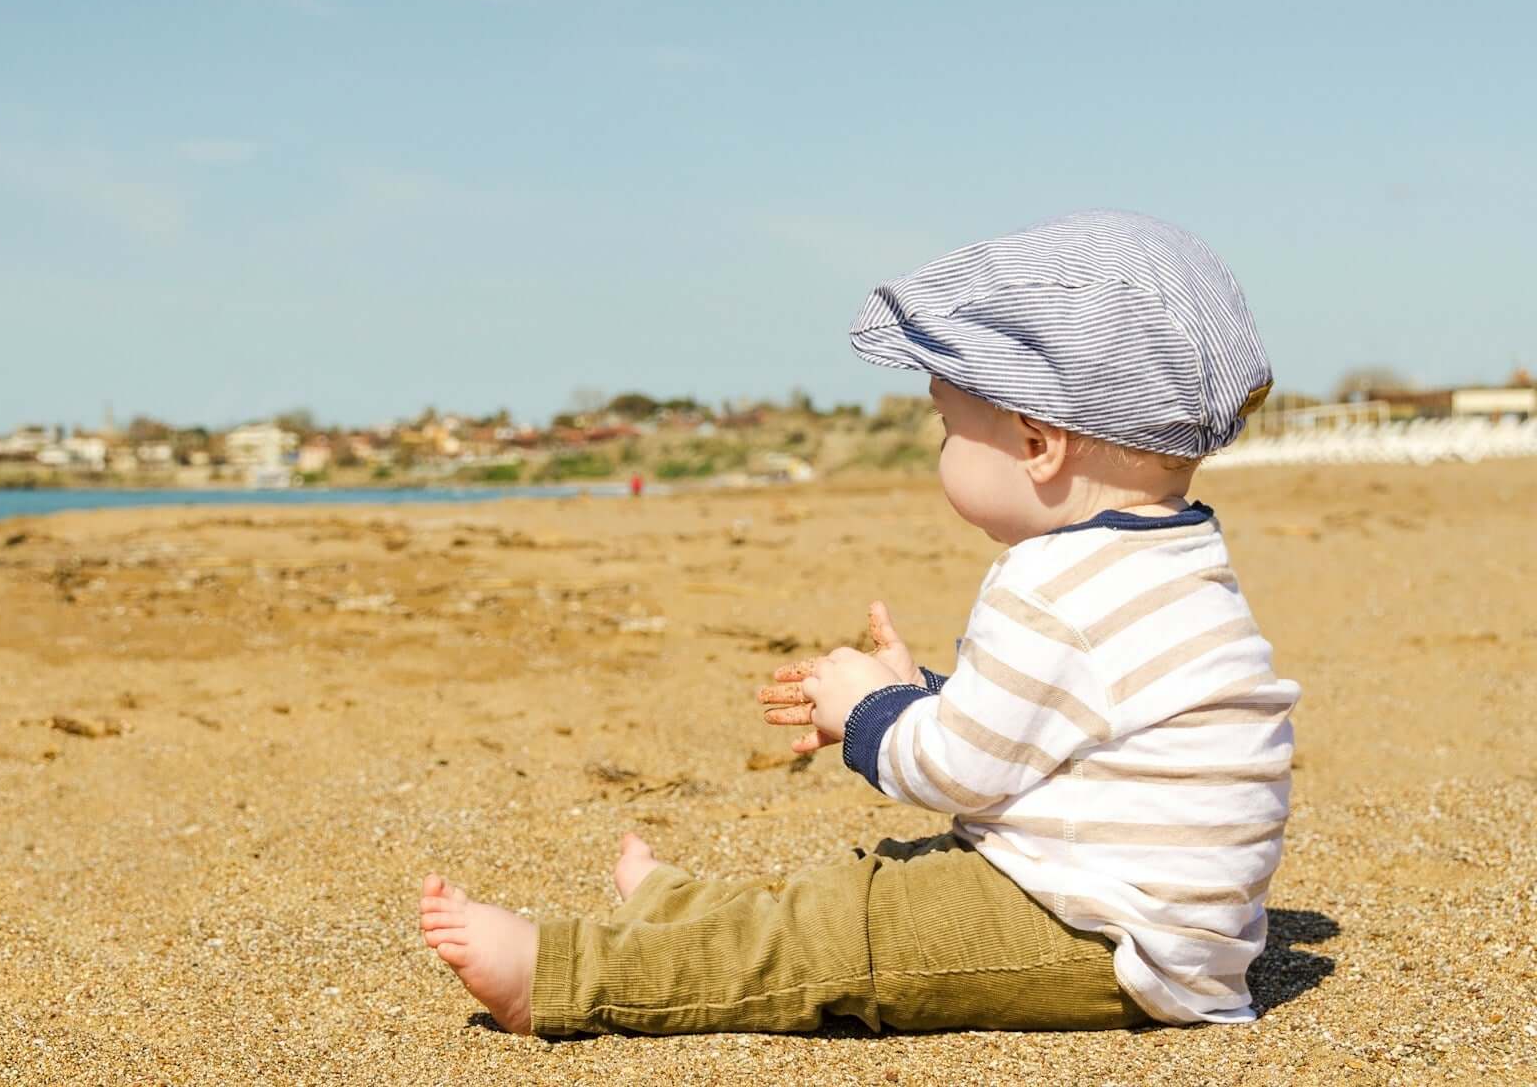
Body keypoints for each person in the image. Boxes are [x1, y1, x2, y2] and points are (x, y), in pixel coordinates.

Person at [418, 209, 1298, 1036]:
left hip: (1103, 939)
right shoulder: (1177, 558)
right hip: (1163, 926)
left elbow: (959, 773)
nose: (941, 448)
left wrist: (869, 717)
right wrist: (924, 693)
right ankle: (682, 914)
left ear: (1038, 443)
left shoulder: (1049, 582)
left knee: (846, 932)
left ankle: (566, 976)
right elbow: (1061, 728)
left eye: (950, 427)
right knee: (877, 881)